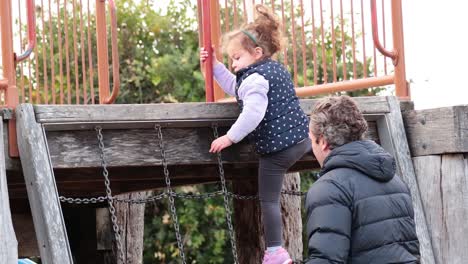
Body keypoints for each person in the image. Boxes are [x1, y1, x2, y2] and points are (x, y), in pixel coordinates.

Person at [200, 4, 310, 264]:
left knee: (269, 200)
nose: (234, 64)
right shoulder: (273, 70)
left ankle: (275, 252)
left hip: (278, 150)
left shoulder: (254, 80)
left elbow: (252, 114)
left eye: (237, 58)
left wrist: (229, 138)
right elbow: (234, 87)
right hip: (303, 140)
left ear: (257, 52)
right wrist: (214, 65)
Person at [305, 96, 420, 263]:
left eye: (311, 141)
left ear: (322, 141)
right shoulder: (396, 182)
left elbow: (327, 260)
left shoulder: (329, 188)